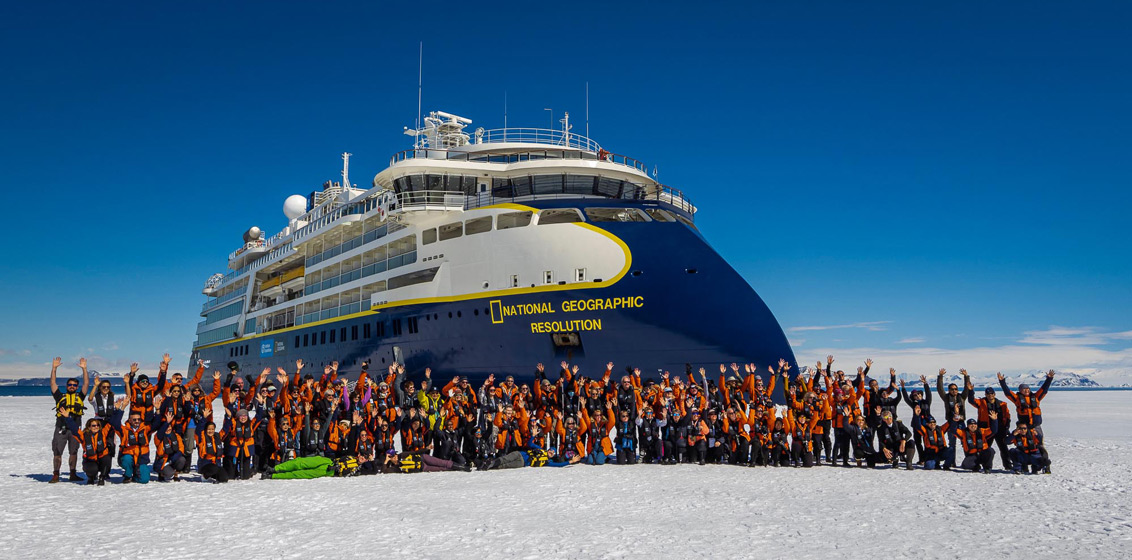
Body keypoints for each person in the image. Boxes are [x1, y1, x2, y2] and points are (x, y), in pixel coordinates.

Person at [60, 399, 123, 486]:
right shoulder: (84, 436)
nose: (96, 427)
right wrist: (68, 418)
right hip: (90, 459)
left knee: (107, 458)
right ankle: (91, 477)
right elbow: (74, 429)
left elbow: (113, 422)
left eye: (97, 425)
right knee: (91, 468)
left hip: (102, 458)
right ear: (89, 427)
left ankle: (102, 476)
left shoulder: (103, 433)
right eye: (93, 425)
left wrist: (116, 410)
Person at [49, 356, 90, 483]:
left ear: (77, 387)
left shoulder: (80, 397)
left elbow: (86, 384)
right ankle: (56, 474)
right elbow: (53, 383)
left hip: (75, 429)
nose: (72, 386)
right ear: (67, 386)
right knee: (57, 451)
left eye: (74, 385)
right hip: (61, 428)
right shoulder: (60, 396)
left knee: (74, 451)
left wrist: (84, 369)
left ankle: (73, 473)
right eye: (70, 385)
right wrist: (54, 368)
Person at [998, 370, 1055, 437]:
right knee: (1024, 441)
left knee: (1039, 441)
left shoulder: (1036, 397)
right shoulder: (1017, 399)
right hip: (1024, 428)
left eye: (1028, 389)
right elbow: (1008, 393)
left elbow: (1044, 390)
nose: (1026, 390)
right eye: (1024, 389)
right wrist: (1002, 382)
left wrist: (1049, 379)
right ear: (1020, 391)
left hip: (1036, 426)